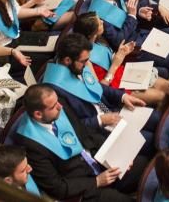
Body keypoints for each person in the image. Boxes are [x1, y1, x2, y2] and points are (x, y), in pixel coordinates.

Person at [13, 83, 148, 202]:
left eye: (57, 101)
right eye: (54, 106)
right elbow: (56, 187)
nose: (60, 106)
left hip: (99, 162)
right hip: (84, 186)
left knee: (144, 165)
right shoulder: (31, 145)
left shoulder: (59, 108)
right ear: (38, 114)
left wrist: (116, 157)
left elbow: (86, 134)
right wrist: (97, 181)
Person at [42, 33, 157, 143]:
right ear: (67, 60)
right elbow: (72, 126)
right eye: (84, 61)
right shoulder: (54, 91)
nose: (87, 64)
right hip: (98, 130)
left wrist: (123, 96)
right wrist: (101, 120)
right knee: (151, 139)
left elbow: (96, 86)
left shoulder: (77, 66)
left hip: (112, 109)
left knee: (156, 120)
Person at [73, 11, 169, 106]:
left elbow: (113, 58)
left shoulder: (100, 40)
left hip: (123, 73)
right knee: (160, 96)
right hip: (116, 88)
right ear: (91, 34)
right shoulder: (85, 60)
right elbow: (100, 89)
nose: (103, 22)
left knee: (167, 86)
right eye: (99, 23)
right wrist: (115, 64)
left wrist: (122, 52)